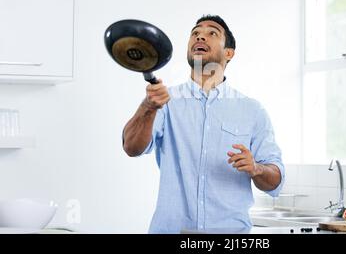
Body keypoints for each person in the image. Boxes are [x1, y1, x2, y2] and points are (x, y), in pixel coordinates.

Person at [122, 15, 285, 234]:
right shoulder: (165, 101)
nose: (200, 35)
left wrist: (256, 168)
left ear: (229, 53)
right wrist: (148, 107)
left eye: (212, 33)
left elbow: (275, 181)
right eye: (195, 32)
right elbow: (131, 147)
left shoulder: (253, 111)